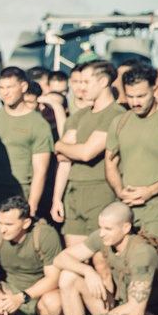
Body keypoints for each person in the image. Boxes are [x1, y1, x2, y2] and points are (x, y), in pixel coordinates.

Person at [50, 202, 158, 315]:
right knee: (69, 276)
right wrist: (87, 271)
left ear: (126, 227)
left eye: (108, 229)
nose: (102, 233)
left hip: (149, 314)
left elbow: (136, 309)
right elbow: (61, 259)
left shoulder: (142, 253)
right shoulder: (103, 238)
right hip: (120, 305)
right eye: (100, 227)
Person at [51, 60, 125, 246]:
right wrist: (56, 198)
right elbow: (62, 158)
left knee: (100, 258)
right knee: (74, 257)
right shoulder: (79, 116)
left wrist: (62, 147)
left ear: (103, 82)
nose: (81, 88)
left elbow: (86, 153)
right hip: (73, 192)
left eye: (86, 82)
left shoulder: (115, 114)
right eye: (79, 83)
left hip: (100, 192)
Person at [0, 67, 54, 236]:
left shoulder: (38, 124)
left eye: (10, 87)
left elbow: (41, 170)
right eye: (1, 88)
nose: (5, 93)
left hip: (19, 193)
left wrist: (31, 206)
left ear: (23, 87)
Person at [105, 63, 158, 237]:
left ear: (155, 88)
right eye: (130, 96)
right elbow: (110, 162)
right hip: (126, 211)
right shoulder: (120, 122)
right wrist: (119, 191)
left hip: (157, 211)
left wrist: (149, 191)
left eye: (141, 96)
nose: (135, 102)